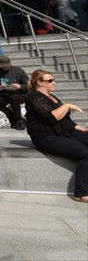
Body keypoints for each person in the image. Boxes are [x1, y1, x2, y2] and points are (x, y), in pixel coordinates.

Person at [24, 69, 88, 202]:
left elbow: (64, 119)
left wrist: (77, 127)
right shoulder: (33, 97)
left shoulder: (52, 97)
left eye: (54, 80)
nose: (54, 83)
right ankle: (81, 193)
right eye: (50, 80)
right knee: (86, 155)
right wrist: (67, 105)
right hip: (46, 137)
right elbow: (52, 117)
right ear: (40, 83)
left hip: (64, 132)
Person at [0, 56, 29, 130]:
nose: (6, 68)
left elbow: (28, 85)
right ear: (0, 65)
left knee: (14, 98)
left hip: (19, 93)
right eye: (4, 67)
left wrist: (19, 86)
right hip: (5, 94)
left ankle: (19, 121)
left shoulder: (18, 70)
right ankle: (12, 118)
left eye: (7, 66)